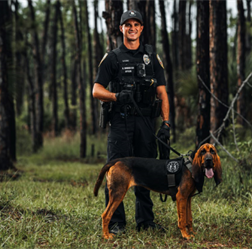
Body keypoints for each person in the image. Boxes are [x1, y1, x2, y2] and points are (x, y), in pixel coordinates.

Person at [92, 10, 170, 235]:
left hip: (146, 122)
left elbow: (162, 94)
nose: (132, 28)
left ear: (142, 28)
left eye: (136, 24)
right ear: (121, 29)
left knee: (146, 170)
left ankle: (146, 221)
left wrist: (166, 124)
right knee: (117, 170)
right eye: (128, 24)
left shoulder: (152, 58)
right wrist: (116, 96)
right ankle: (116, 223)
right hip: (121, 121)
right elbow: (96, 90)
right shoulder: (113, 57)